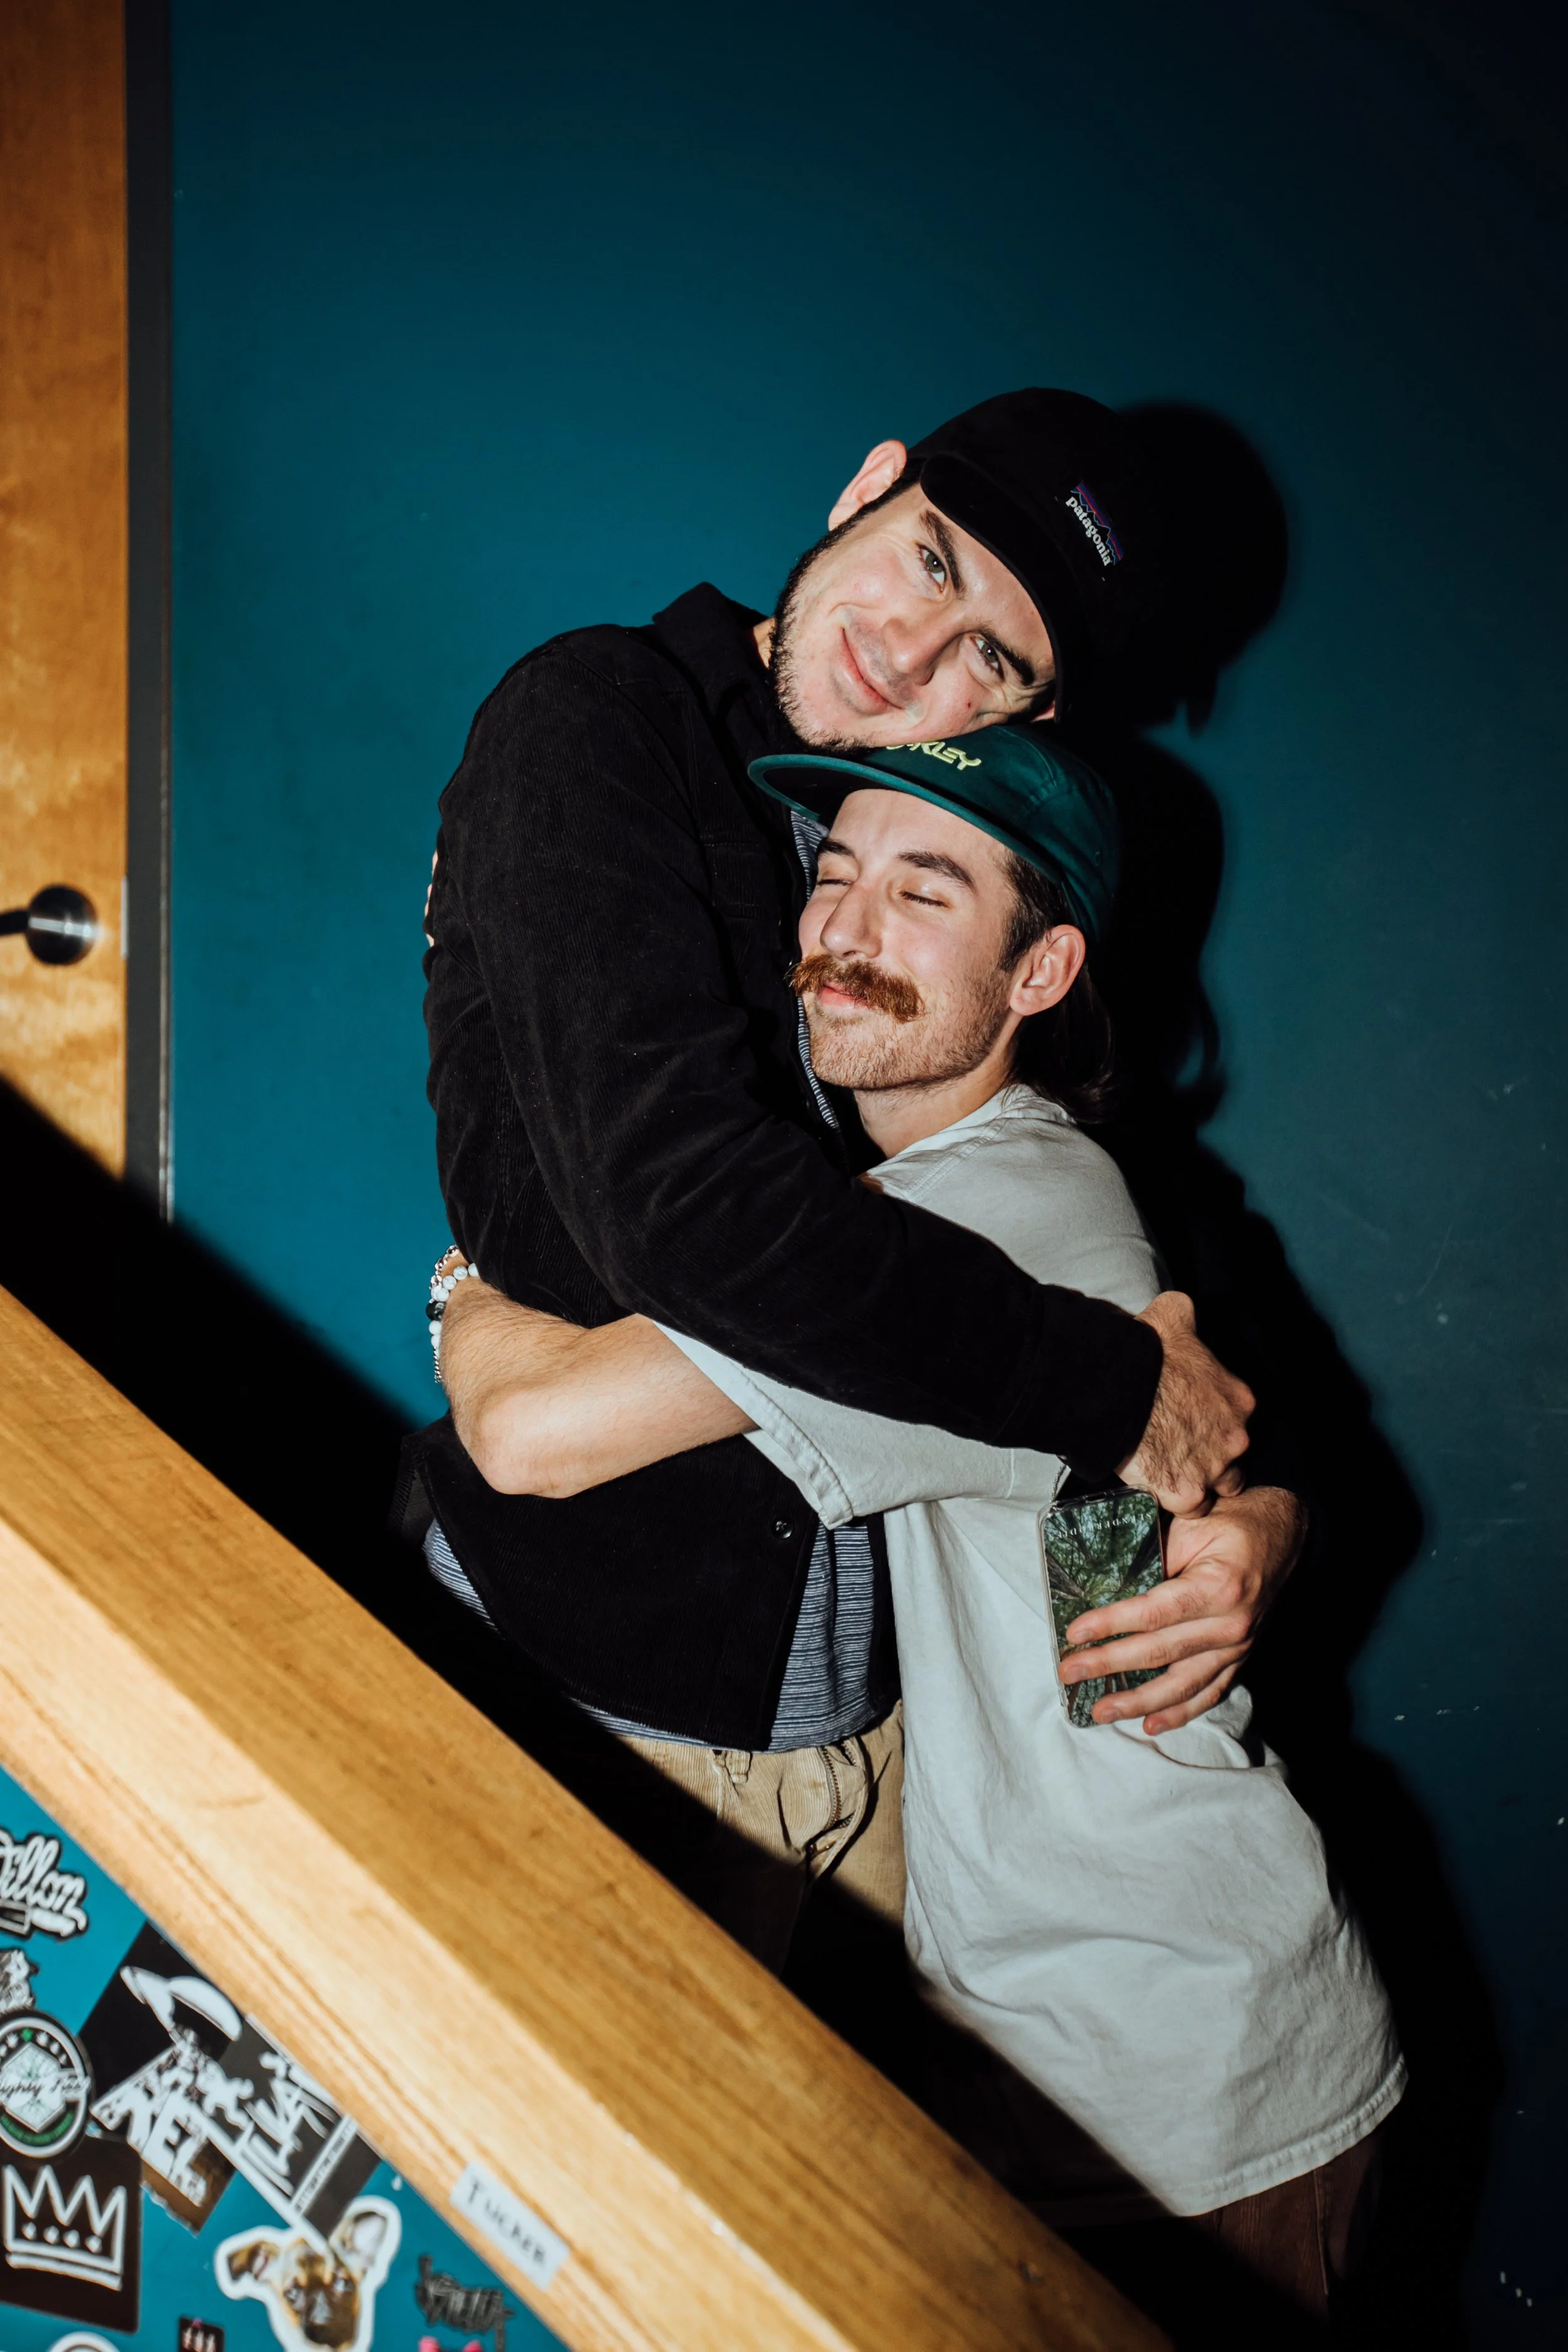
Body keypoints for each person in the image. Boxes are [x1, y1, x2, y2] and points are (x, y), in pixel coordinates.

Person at [433, 729, 1402, 2317]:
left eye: (925, 892)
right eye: (835, 873)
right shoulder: (969, 1178)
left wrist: (467, 1279)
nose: (847, 927)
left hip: (1177, 2066)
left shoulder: (986, 1211)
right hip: (1082, 2034)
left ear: (1041, 972)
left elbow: (531, 1433)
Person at [408, 387, 1302, 1969]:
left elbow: (1134, 1236)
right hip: (594, 1710)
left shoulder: (933, 843)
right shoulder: (600, 720)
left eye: (990, 661)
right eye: (930, 560)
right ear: (869, 486)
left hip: (891, 1769)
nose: (910, 652)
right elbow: (668, 1228)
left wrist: (1267, 1508)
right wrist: (1108, 1390)